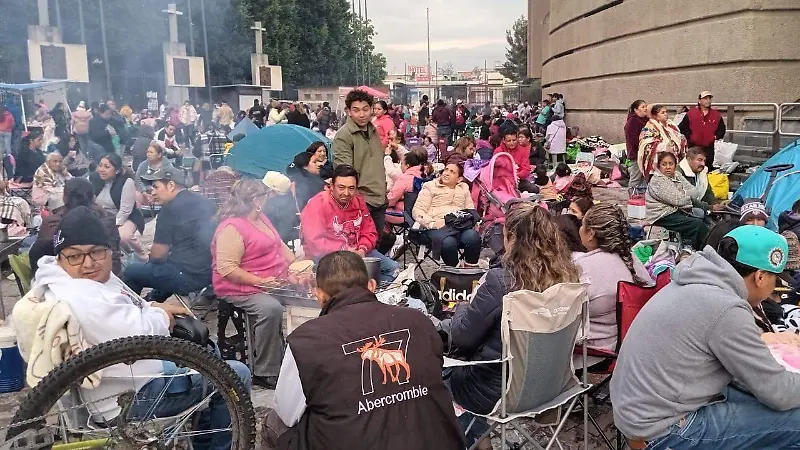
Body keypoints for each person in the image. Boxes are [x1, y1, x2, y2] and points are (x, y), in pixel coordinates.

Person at [15, 206, 250, 450]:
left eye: (96, 252)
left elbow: (127, 309)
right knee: (237, 373)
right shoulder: (82, 297)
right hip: (129, 399)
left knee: (211, 353)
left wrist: (153, 306)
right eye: (75, 256)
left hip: (130, 378)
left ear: (109, 251)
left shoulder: (65, 280)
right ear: (60, 257)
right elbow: (143, 336)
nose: (88, 263)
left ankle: (205, 436)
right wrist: (161, 314)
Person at [610, 226, 800, 449]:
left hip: (634, 413)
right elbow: (779, 393)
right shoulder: (727, 309)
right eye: (774, 280)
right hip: (663, 430)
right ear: (760, 277)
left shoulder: (692, 282)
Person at [265, 251, 464, 450]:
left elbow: (287, 412)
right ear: (371, 285)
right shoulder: (419, 320)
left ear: (319, 295)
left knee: (273, 422)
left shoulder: (306, 341)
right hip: (438, 441)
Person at [447, 203, 581, 444]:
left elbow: (461, 337)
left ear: (511, 238)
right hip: (553, 386)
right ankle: (483, 442)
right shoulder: (569, 279)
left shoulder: (501, 282)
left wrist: (462, 307)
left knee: (439, 373)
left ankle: (475, 441)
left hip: (499, 393)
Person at [212, 179, 312, 390]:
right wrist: (261, 281)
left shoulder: (261, 218)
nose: (269, 199)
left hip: (273, 280)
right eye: (266, 195)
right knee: (270, 309)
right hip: (239, 287)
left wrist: (296, 267)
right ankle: (265, 371)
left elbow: (279, 245)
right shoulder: (231, 228)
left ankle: (299, 357)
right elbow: (227, 269)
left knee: (309, 296)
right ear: (257, 200)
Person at [124, 166, 216, 302]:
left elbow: (158, 256)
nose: (153, 193)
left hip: (188, 278)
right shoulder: (206, 202)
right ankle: (155, 297)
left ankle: (135, 313)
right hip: (211, 272)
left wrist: (153, 254)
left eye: (156, 187)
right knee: (168, 264)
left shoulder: (168, 211)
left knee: (131, 271)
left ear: (171, 185)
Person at [299, 165, 399, 283]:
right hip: (328, 256)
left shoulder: (358, 201)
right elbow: (315, 242)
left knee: (393, 269)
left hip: (358, 252)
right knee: (349, 280)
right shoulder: (318, 204)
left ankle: (369, 295)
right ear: (331, 186)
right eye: (341, 187)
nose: (346, 193)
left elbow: (369, 231)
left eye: (351, 188)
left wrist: (362, 248)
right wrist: (345, 250)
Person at [575, 204, 651, 354]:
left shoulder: (583, 267)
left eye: (582, 223)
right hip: (627, 346)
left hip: (592, 352)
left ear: (590, 233)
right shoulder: (632, 259)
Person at [29, 177, 121, 275]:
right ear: (94, 198)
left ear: (64, 198)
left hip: (59, 279)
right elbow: (114, 256)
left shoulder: (51, 221)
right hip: (104, 277)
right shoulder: (108, 218)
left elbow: (38, 255)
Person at [332, 89, 388, 232]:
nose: (362, 114)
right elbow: (344, 173)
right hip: (360, 201)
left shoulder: (374, 130)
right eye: (356, 110)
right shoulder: (344, 135)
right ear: (349, 111)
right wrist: (356, 199)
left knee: (377, 244)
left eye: (365, 109)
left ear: (372, 110)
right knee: (362, 246)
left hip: (379, 198)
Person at [412, 163, 480, 267]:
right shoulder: (430, 187)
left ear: (459, 179)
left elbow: (470, 210)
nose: (447, 173)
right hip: (437, 227)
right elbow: (417, 211)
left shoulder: (464, 188)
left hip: (458, 226)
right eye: (446, 170)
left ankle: (469, 269)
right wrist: (432, 223)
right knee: (448, 243)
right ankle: (454, 272)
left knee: (473, 237)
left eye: (452, 172)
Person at [646, 152, 709, 250]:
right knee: (696, 224)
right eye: (664, 164)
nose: (668, 167)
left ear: (675, 165)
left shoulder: (677, 175)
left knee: (702, 215)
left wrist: (681, 193)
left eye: (671, 164)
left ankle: (693, 245)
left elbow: (695, 192)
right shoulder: (657, 181)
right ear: (659, 166)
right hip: (662, 215)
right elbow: (679, 201)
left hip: (676, 210)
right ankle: (703, 249)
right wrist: (684, 195)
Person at [90, 153, 146, 260]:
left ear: (117, 170)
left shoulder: (126, 182)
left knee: (123, 236)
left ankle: (142, 258)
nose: (101, 169)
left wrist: (111, 225)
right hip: (100, 217)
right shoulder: (94, 179)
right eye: (100, 165)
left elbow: (125, 211)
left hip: (125, 218)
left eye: (107, 167)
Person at [638, 104, 688, 180]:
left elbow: (678, 136)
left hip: (673, 162)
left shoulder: (671, 125)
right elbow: (645, 143)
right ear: (655, 115)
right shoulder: (649, 127)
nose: (666, 114)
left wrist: (681, 140)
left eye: (666, 112)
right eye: (662, 112)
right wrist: (663, 146)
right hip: (656, 164)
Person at [679, 91, 726, 165]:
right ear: (699, 101)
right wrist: (690, 137)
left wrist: (714, 137)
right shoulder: (691, 114)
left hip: (708, 148)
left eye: (709, 98)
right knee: (692, 168)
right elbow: (682, 128)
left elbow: (722, 129)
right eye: (705, 98)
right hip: (693, 147)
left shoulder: (716, 115)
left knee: (707, 168)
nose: (708, 100)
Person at [386, 146, 428, 224]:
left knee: (377, 211)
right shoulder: (424, 175)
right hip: (421, 214)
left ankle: (388, 235)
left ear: (408, 165)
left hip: (405, 215)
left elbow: (391, 199)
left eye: (402, 163)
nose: (400, 166)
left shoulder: (405, 178)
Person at [677, 146, 718, 211]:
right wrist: (710, 207)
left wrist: (716, 204)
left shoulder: (701, 172)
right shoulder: (678, 173)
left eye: (704, 160)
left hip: (698, 206)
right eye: (699, 160)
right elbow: (689, 200)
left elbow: (708, 192)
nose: (703, 164)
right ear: (689, 160)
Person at [134, 141, 174, 207]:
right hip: (146, 193)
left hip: (162, 193)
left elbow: (169, 182)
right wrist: (145, 193)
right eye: (148, 152)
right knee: (136, 196)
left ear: (159, 154)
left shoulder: (167, 165)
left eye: (151, 152)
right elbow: (138, 180)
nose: (148, 154)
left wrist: (157, 193)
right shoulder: (143, 165)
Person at [625, 100, 649, 192]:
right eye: (642, 107)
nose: (645, 108)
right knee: (635, 178)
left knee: (642, 180)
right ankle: (632, 198)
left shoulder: (644, 120)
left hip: (643, 155)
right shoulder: (632, 121)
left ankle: (640, 199)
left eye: (645, 106)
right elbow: (633, 140)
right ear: (636, 109)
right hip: (635, 155)